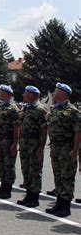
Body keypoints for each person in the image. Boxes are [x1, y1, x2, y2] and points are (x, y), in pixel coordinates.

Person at [45, 83, 80, 217]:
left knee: (67, 177)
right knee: (58, 177)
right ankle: (59, 203)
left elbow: (78, 132)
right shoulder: (56, 110)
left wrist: (75, 150)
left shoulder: (72, 111)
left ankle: (65, 207)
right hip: (56, 149)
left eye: (56, 91)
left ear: (63, 93)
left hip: (67, 149)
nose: (54, 93)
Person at [17, 86, 47, 208]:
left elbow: (44, 130)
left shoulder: (40, 109)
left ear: (32, 95)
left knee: (35, 171)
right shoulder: (27, 108)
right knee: (26, 170)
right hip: (25, 144)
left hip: (34, 145)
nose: (23, 94)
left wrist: (41, 147)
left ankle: (34, 198)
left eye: (26, 93)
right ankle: (28, 195)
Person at [0, 84, 20, 199]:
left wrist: (15, 143)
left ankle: (8, 189)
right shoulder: (0, 107)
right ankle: (3, 186)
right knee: (1, 164)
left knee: (9, 165)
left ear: (6, 94)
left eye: (0, 92)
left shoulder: (13, 109)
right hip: (0, 139)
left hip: (8, 140)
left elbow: (16, 127)